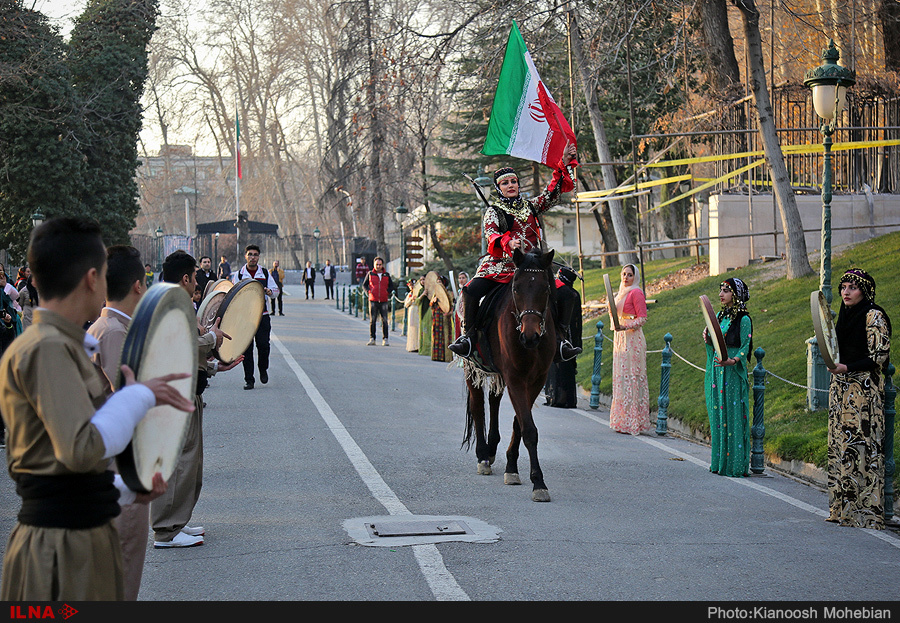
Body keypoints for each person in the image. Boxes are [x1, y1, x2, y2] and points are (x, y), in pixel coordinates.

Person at [0, 217, 193, 601]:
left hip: (76, 539)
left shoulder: (63, 344)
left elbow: (62, 468)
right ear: (92, 278)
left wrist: (123, 490)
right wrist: (137, 398)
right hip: (60, 553)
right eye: (104, 273)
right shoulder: (48, 347)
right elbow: (80, 446)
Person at [448, 143, 582, 362]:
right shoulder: (494, 211)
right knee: (471, 291)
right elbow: (491, 234)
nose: (510, 185)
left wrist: (563, 163)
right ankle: (469, 337)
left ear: (518, 184)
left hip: (531, 266)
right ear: (498, 188)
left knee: (567, 295)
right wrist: (508, 241)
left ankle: (561, 340)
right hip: (500, 266)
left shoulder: (530, 206)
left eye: (513, 181)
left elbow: (551, 194)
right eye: (505, 183)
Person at [151, 250, 238, 549]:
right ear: (186, 277)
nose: (197, 282)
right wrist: (213, 339)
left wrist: (214, 366)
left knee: (190, 463)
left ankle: (177, 521)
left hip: (188, 391)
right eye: (195, 277)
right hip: (177, 394)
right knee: (178, 463)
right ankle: (166, 530)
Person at [86, 245, 152, 600]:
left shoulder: (110, 326)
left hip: (116, 469)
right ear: (139, 285)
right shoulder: (112, 331)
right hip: (118, 469)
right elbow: (127, 400)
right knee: (123, 569)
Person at [826, 268, 892, 530]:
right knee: (841, 446)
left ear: (864, 291)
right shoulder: (844, 315)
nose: (846, 292)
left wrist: (847, 367)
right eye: (843, 287)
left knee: (861, 446)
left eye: (852, 287)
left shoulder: (873, 315)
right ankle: (843, 509)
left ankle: (866, 512)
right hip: (840, 389)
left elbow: (879, 355)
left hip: (862, 391)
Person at [703, 277, 753, 478]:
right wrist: (707, 337)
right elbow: (713, 341)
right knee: (718, 414)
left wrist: (732, 361)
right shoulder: (720, 315)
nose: (721, 294)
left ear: (736, 294)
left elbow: (745, 346)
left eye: (726, 290)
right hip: (717, 370)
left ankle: (734, 465)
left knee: (732, 414)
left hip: (732, 373)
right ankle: (719, 462)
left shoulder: (744, 319)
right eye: (721, 290)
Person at [608, 264, 650, 432]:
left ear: (635, 277)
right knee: (621, 377)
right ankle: (621, 421)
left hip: (632, 339)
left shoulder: (636, 293)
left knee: (632, 377)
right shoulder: (620, 294)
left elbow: (642, 318)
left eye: (629, 275)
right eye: (624, 274)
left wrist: (626, 326)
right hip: (620, 339)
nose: (626, 277)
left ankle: (634, 422)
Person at [232, 245, 279, 390]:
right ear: (245, 256)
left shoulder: (264, 273)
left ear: (259, 257)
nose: (253, 257)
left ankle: (263, 368)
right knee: (246, 349)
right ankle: (249, 379)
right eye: (250, 254)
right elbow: (232, 295)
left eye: (255, 255)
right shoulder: (239, 275)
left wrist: (269, 291)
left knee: (263, 346)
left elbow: (276, 291)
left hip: (262, 316)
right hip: (245, 318)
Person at [544, 267, 583, 408]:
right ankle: (554, 397)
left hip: (564, 334)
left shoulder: (568, 294)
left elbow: (575, 319)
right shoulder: (564, 292)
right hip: (565, 334)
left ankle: (559, 398)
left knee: (561, 366)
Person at [362, 257, 395, 346]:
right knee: (372, 320)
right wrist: (369, 292)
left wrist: (386, 292)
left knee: (384, 320)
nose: (378, 266)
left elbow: (391, 286)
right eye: (377, 264)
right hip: (373, 300)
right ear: (374, 265)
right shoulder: (370, 274)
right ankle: (372, 338)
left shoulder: (386, 275)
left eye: (380, 264)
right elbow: (364, 285)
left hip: (383, 300)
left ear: (382, 265)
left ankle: (385, 339)